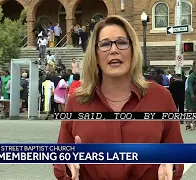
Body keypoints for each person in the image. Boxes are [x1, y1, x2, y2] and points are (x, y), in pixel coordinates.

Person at [54, 15, 184, 180]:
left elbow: (177, 153)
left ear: (133, 50)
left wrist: (171, 164)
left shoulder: (161, 98)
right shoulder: (76, 101)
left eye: (122, 43)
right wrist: (68, 164)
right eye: (105, 44)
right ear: (95, 54)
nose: (114, 50)